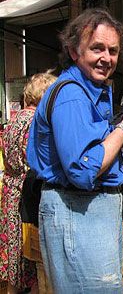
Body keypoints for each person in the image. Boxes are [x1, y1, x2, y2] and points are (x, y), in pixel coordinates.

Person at [26, 8, 123, 293]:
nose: (106, 58)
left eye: (113, 50)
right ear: (74, 51)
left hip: (88, 213)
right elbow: (83, 169)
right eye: (97, 48)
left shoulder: (90, 91)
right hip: (77, 213)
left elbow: (95, 147)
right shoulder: (72, 95)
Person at [0, 71, 57, 294]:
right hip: (26, 192)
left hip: (10, 189)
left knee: (14, 249)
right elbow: (35, 161)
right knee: (29, 251)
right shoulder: (35, 122)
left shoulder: (15, 119)